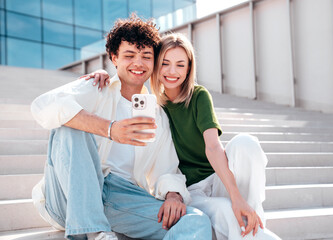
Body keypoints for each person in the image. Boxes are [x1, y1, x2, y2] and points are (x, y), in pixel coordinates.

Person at [31, 16, 212, 240]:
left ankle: (97, 226)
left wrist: (174, 195)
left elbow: (166, 168)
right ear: (114, 58)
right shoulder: (96, 86)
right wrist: (110, 129)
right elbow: (43, 105)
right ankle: (93, 231)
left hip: (121, 198)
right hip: (70, 195)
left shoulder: (157, 114)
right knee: (68, 125)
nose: (138, 63)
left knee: (195, 220)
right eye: (129, 55)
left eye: (146, 56)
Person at [89, 33, 282, 240]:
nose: (173, 71)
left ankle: (251, 214)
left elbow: (214, 147)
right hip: (190, 190)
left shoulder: (198, 96)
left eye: (180, 65)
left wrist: (237, 197)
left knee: (246, 143)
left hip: (217, 178)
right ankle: (251, 230)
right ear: (156, 65)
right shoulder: (151, 106)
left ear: (189, 68)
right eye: (165, 63)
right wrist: (105, 75)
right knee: (224, 210)